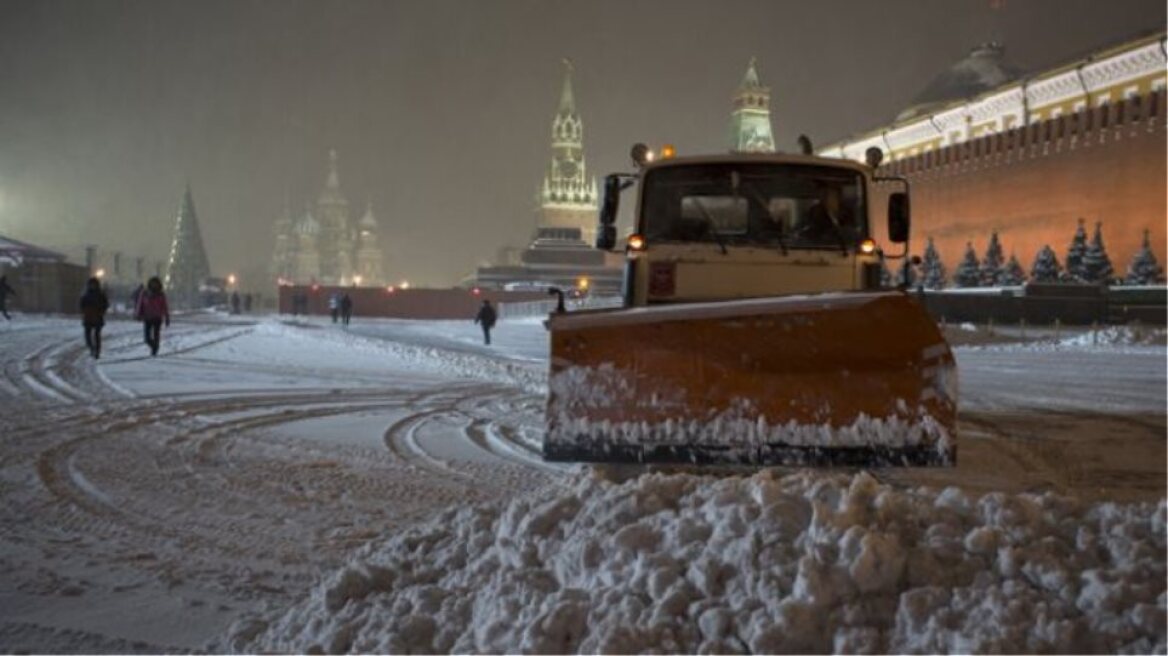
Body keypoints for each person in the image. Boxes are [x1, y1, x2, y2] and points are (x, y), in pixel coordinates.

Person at [135, 276, 170, 356]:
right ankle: (154, 346)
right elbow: (140, 304)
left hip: (157, 317)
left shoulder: (161, 294)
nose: (154, 285)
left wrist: (167, 317)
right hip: (147, 317)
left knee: (156, 334)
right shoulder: (145, 293)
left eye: (156, 284)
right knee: (147, 338)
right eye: (153, 283)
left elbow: (165, 306)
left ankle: (155, 349)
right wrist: (138, 314)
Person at [79, 277, 110, 359]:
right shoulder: (86, 294)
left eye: (94, 284)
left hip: (97, 317)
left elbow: (105, 304)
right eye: (91, 284)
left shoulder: (100, 294)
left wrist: (101, 312)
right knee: (87, 335)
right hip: (88, 317)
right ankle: (92, 348)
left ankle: (97, 351)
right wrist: (84, 312)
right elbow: (81, 305)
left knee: (97, 335)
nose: (92, 286)